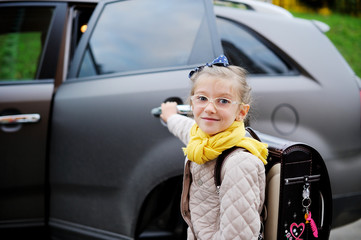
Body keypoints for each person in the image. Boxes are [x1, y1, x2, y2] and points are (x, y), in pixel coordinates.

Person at [160, 55, 268, 239]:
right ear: (192, 103)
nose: (209, 108)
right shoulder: (202, 140)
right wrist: (170, 117)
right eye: (202, 98)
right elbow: (187, 129)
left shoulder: (239, 165)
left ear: (241, 112)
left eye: (223, 101)